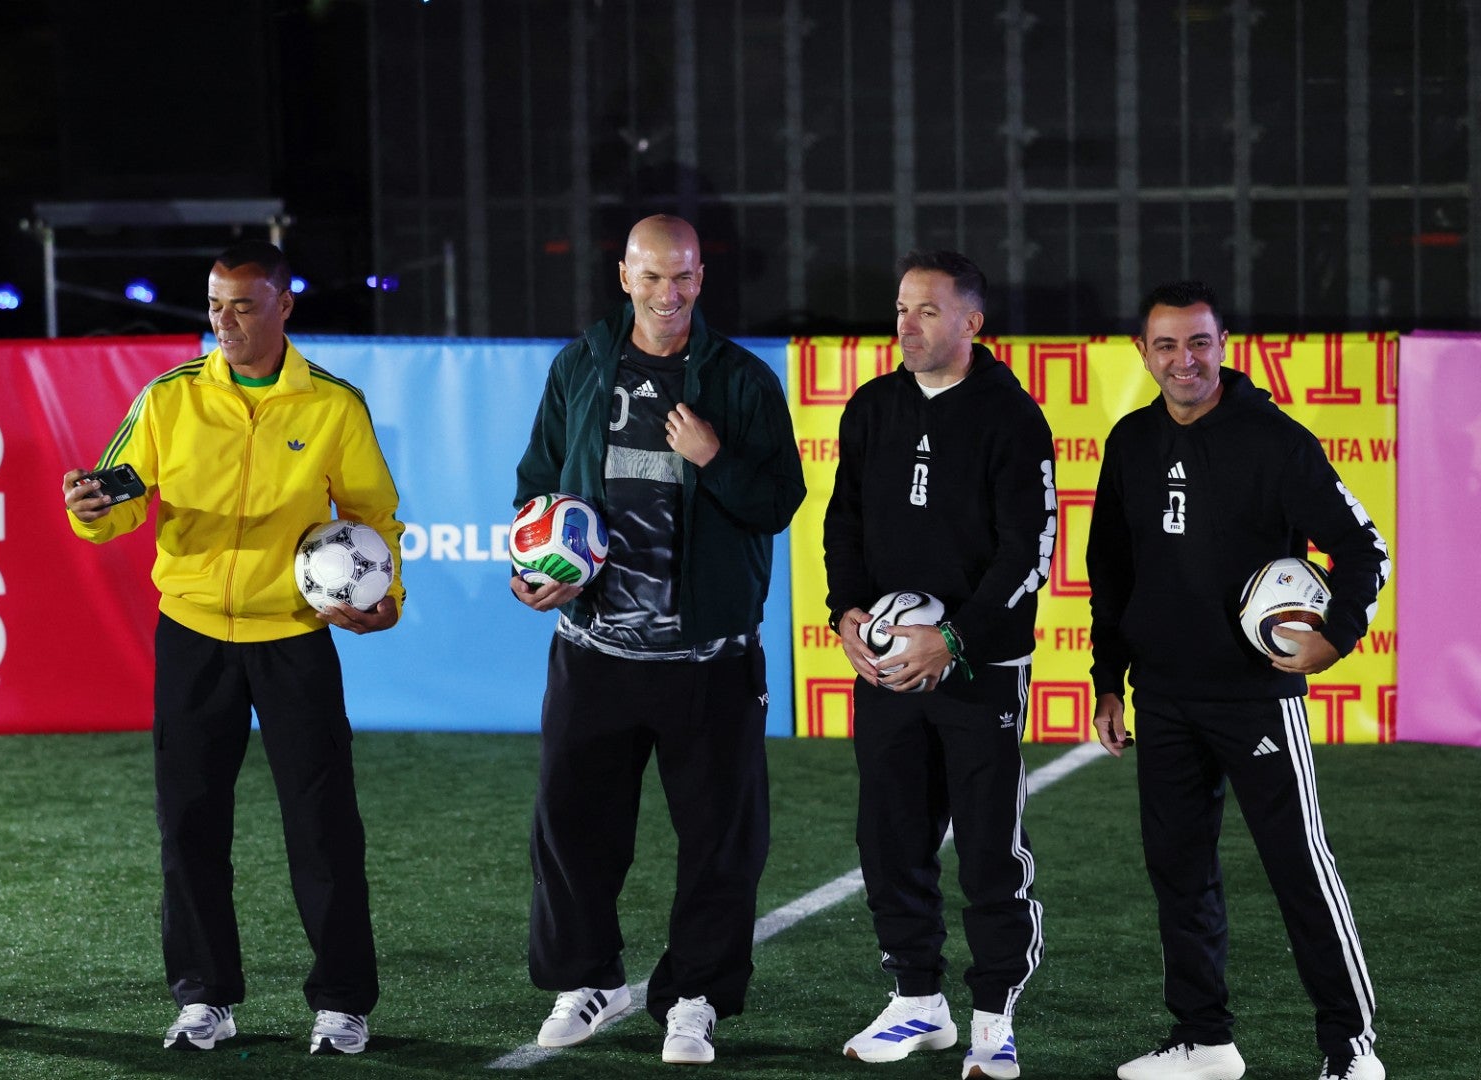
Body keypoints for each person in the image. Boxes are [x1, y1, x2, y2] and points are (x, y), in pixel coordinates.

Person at [64, 240, 403, 1056]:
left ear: (285, 305)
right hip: (191, 636)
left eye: (243, 306)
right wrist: (86, 505)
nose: (225, 322)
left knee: (323, 828)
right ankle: (204, 998)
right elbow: (116, 500)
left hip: (293, 637)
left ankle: (343, 1003)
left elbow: (373, 515)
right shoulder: (169, 397)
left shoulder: (333, 405)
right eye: (215, 305)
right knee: (188, 825)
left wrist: (386, 598)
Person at [510, 214, 804, 1065]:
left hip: (707, 661)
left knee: (720, 841)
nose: (668, 295)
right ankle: (588, 980)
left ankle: (695, 999)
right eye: (652, 277)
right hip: (594, 652)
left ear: (701, 279)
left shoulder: (740, 381)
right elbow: (536, 486)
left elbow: (778, 501)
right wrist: (530, 573)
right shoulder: (580, 367)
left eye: (683, 278)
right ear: (624, 276)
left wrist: (714, 455)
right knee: (572, 827)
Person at [1090, 281, 1390, 1080]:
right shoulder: (1128, 444)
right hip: (1162, 695)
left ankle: (1350, 1049)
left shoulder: (1273, 441)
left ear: (1223, 344)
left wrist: (1337, 637)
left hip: (1254, 697)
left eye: (1198, 342)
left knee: (1300, 868)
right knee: (1178, 872)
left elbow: (1366, 549)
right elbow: (1109, 573)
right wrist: (1108, 681)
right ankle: (1204, 1041)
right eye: (1166, 345)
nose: (1183, 360)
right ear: (1143, 353)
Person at [822, 250, 1056, 1079]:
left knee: (991, 846)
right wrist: (845, 612)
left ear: (971, 322)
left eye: (926, 311)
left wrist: (952, 639)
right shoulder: (872, 407)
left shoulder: (1011, 416)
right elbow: (841, 521)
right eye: (899, 309)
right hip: (885, 664)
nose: (907, 326)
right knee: (890, 836)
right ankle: (916, 1002)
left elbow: (1031, 553)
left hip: (979, 666)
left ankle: (993, 1017)